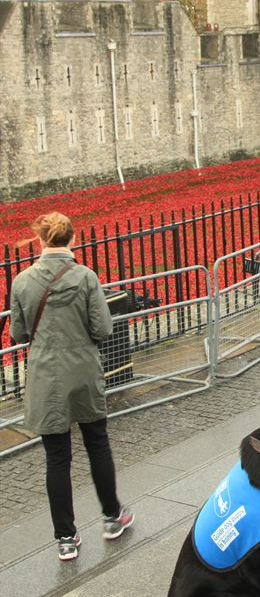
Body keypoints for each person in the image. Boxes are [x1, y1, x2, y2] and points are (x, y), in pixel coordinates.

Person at [9, 212, 134, 561]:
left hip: (46, 377)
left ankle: (66, 537)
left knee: (57, 458)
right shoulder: (86, 277)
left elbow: (19, 334)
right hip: (83, 372)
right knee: (97, 444)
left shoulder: (21, 281)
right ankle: (112, 517)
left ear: (41, 240)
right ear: (71, 239)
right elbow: (103, 329)